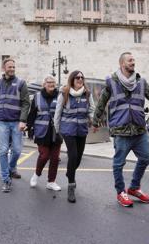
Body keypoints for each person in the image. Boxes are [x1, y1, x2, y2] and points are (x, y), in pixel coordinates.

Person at [92, 52, 149, 207]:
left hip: (139, 130)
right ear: (122, 63)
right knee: (118, 164)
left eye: (134, 60)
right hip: (121, 130)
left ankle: (134, 188)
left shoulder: (141, 82)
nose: (133, 62)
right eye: (130, 60)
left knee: (145, 158)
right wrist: (95, 122)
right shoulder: (111, 82)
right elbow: (101, 103)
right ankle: (120, 192)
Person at [0, 58, 30, 192]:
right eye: (10, 67)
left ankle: (10, 168)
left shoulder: (21, 83)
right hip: (1, 122)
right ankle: (6, 180)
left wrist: (23, 120)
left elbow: (26, 103)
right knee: (2, 150)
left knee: (17, 150)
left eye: (14, 67)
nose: (12, 69)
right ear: (4, 68)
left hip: (15, 122)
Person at [54, 70, 94, 203]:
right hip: (68, 130)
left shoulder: (87, 94)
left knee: (79, 157)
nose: (80, 79)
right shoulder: (64, 93)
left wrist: (94, 120)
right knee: (73, 155)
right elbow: (58, 112)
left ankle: (69, 172)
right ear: (72, 79)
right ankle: (71, 185)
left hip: (81, 129)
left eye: (82, 77)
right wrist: (57, 130)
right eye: (77, 77)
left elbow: (91, 110)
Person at [27, 76, 63, 191]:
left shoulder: (61, 95)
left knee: (55, 158)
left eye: (53, 82)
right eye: (49, 82)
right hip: (41, 131)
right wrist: (27, 126)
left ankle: (51, 182)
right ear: (44, 84)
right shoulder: (37, 96)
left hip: (57, 131)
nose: (52, 84)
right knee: (44, 156)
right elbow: (32, 113)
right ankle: (36, 174)